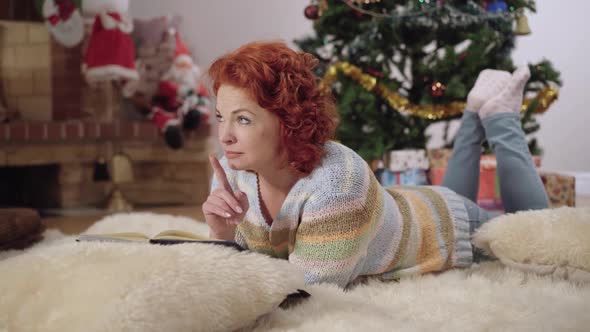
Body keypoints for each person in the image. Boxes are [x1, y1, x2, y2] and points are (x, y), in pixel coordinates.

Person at [202, 41, 549, 288]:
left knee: (535, 231)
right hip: (404, 203)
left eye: (243, 120)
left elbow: (305, 289)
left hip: (439, 227)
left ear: (287, 121)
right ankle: (474, 111)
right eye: (221, 117)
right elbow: (246, 268)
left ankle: (501, 117)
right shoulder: (234, 172)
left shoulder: (338, 184)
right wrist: (221, 233)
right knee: (455, 194)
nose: (225, 136)